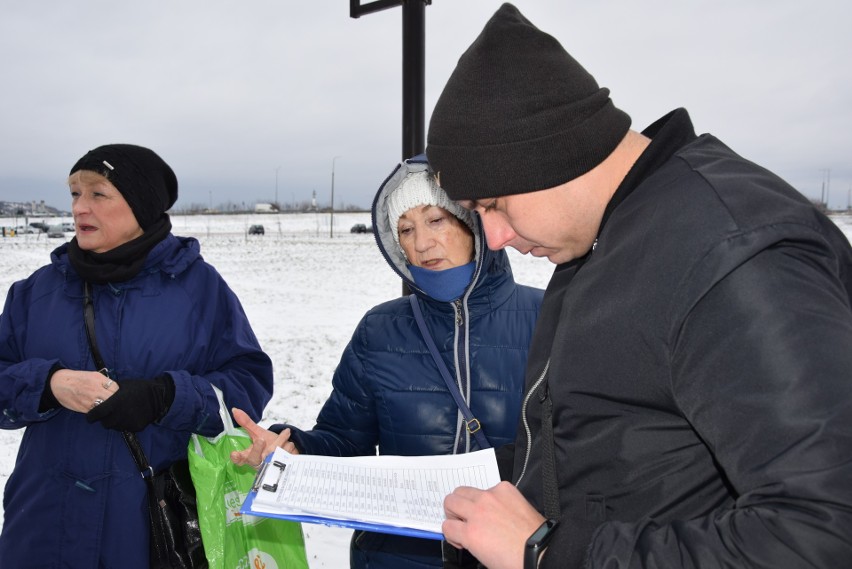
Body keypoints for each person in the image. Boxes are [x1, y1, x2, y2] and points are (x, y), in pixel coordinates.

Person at [424, 4, 852, 569]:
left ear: (555, 154)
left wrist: (547, 553)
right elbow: (610, 440)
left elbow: (821, 534)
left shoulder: (731, 258)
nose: (495, 237)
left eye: (494, 205)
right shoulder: (605, 237)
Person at [231, 155, 544, 569]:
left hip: (511, 555)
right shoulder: (380, 329)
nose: (421, 242)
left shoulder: (545, 317)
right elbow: (344, 440)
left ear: (474, 225)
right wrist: (293, 447)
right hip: (396, 559)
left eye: (436, 220)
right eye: (405, 229)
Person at [0, 144, 274, 568]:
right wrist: (48, 385)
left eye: (98, 193)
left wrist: (165, 397)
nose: (79, 208)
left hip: (150, 534)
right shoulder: (35, 293)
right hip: (42, 530)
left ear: (141, 206)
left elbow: (247, 385)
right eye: (74, 193)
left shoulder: (200, 291)